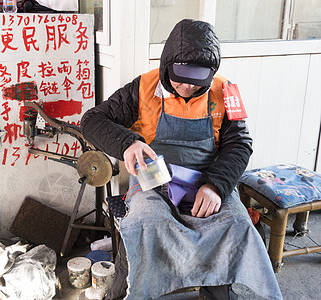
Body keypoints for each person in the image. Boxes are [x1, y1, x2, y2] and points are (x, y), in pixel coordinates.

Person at [81, 19, 283, 300]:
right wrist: (127, 143)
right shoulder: (142, 88)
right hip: (153, 185)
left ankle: (216, 291)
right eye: (180, 78)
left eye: (197, 81)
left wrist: (216, 185)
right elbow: (92, 120)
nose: (187, 87)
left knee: (236, 223)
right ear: (167, 65)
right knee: (145, 224)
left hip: (207, 181)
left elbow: (240, 144)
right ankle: (133, 292)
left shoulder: (225, 92)